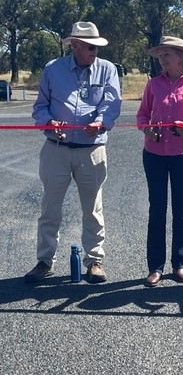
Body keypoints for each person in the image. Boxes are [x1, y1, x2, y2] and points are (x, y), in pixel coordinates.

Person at [25, 21, 122, 284]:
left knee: (93, 208)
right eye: (90, 47)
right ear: (75, 46)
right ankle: (45, 261)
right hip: (56, 149)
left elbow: (111, 104)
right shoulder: (52, 69)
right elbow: (40, 106)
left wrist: (100, 122)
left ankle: (94, 261)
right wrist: (48, 122)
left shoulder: (107, 69)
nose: (95, 52)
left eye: (97, 47)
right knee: (50, 207)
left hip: (92, 150)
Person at [136, 36, 183, 288]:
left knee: (181, 210)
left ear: (181, 57)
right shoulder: (153, 85)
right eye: (160, 55)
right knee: (157, 209)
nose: (162, 59)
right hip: (153, 153)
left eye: (167, 55)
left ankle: (180, 263)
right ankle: (155, 267)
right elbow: (142, 115)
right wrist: (146, 129)